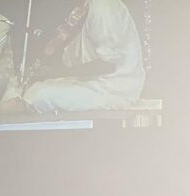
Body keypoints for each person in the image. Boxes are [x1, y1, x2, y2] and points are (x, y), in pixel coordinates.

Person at [8, 0, 146, 113]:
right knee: (33, 88)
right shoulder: (83, 7)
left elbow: (107, 65)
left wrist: (55, 73)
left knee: (40, 96)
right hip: (90, 82)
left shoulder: (104, 7)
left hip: (113, 89)